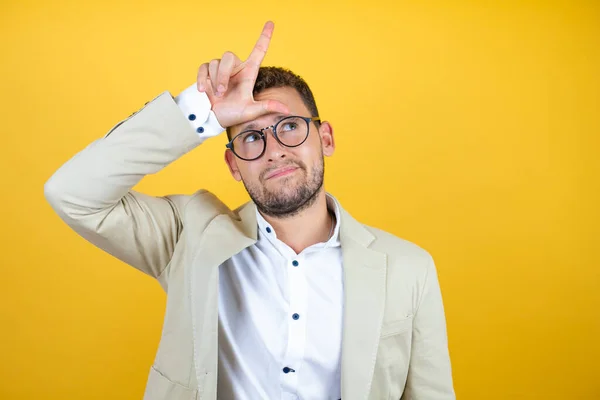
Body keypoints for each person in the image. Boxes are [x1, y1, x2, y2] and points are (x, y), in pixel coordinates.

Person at [44, 21, 455, 400]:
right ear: (233, 165)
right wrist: (199, 112)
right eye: (252, 137)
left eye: (289, 126)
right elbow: (71, 192)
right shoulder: (188, 236)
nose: (273, 149)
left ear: (325, 138)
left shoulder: (408, 268)